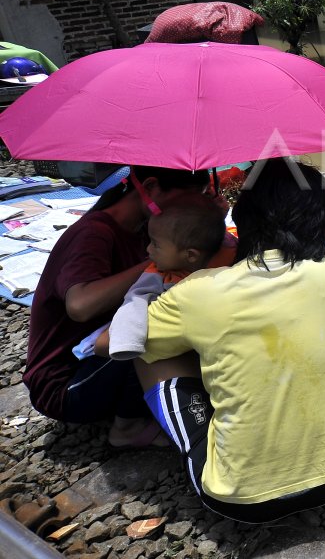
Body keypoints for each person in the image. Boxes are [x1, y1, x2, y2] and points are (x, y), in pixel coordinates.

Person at [136, 158, 325, 523]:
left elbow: (110, 345)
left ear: (243, 218)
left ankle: (185, 436)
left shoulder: (196, 291)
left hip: (235, 500)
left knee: (142, 347)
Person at [23, 166, 211, 447]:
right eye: (185, 202)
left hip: (98, 358)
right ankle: (128, 427)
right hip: (65, 385)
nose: (187, 212)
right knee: (146, 329)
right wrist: (154, 265)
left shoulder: (147, 230)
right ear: (149, 188)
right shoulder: (93, 233)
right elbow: (80, 305)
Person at [74, 200, 233, 362]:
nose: (148, 249)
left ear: (191, 255)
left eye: (155, 244)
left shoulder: (170, 274)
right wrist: (126, 343)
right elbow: (134, 304)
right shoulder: (156, 274)